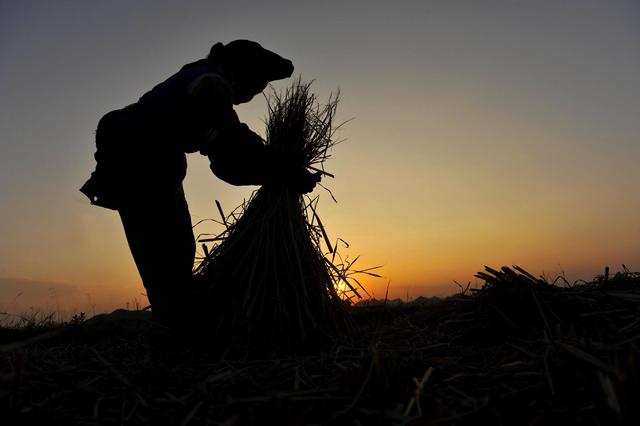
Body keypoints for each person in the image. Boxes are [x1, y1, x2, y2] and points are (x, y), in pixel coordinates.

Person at [80, 40, 320, 329]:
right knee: (168, 251)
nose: (248, 99)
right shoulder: (211, 83)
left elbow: (226, 159)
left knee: (164, 254)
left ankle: (171, 323)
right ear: (241, 71)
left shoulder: (198, 82)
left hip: (133, 156)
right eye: (255, 87)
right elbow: (231, 142)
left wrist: (272, 168)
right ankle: (169, 326)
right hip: (142, 154)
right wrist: (284, 169)